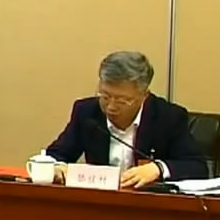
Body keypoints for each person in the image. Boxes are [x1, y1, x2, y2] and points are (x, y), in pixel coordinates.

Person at [46, 50, 208, 188]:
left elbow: (197, 167)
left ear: (144, 95)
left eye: (122, 100)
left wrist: (158, 168)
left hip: (147, 206)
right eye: (105, 96)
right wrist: (57, 167)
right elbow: (55, 155)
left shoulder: (168, 117)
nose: (111, 106)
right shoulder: (87, 113)